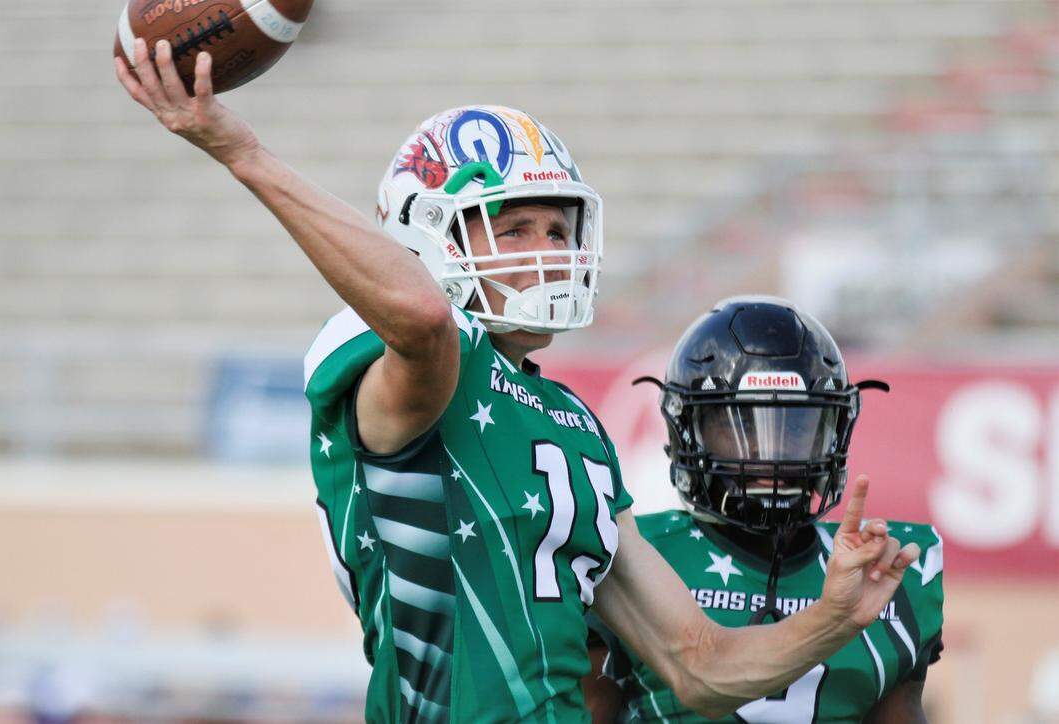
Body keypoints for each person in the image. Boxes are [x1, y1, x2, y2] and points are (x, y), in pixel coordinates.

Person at [115, 44, 921, 723]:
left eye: (558, 229)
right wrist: (241, 152)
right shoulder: (418, 363)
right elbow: (425, 320)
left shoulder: (574, 422)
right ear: (425, 239)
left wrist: (833, 619)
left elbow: (698, 665)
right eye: (514, 229)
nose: (550, 251)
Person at [584, 297, 944, 723]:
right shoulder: (632, 553)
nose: (768, 454)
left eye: (794, 427)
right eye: (740, 427)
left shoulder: (888, 570)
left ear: (834, 430)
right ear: (687, 429)